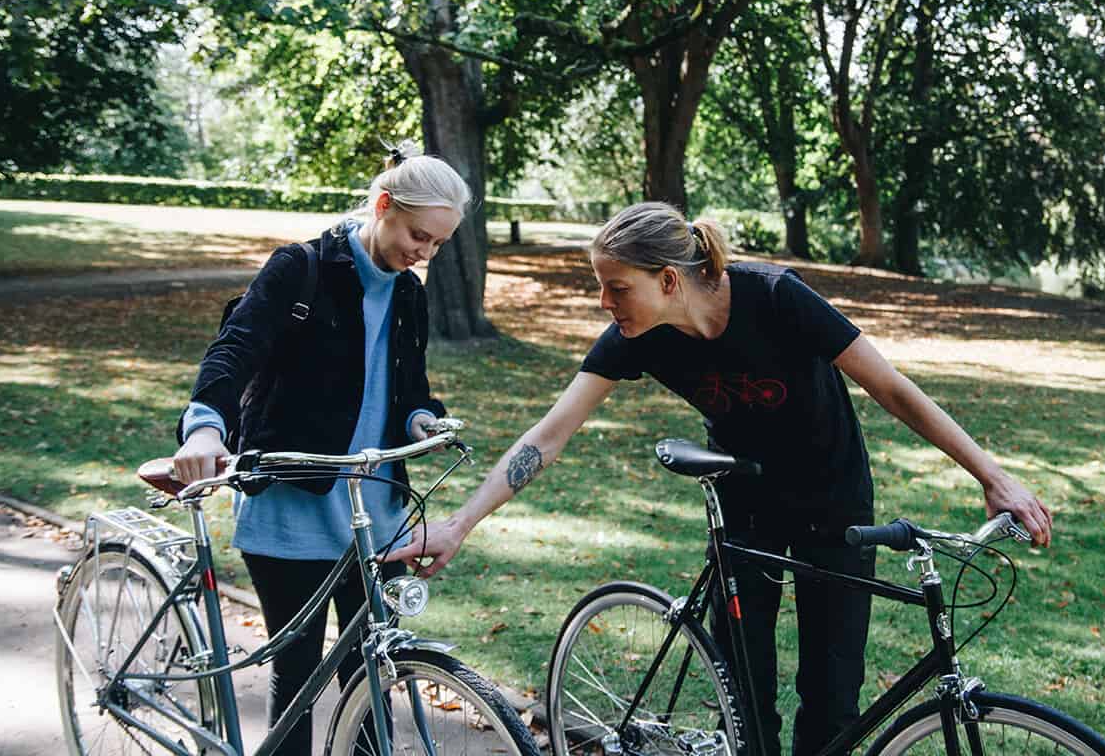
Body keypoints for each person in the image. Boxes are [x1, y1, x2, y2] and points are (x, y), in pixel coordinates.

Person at [387, 201, 1054, 756]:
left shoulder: (776, 297)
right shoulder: (637, 334)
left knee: (833, 695)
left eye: (617, 286)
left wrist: (994, 477)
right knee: (745, 696)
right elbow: (548, 436)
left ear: (669, 280)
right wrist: (459, 523)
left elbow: (892, 388)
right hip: (745, 507)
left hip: (835, 499)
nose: (604, 301)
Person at [171, 140, 470, 756]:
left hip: (376, 513)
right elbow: (233, 352)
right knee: (300, 678)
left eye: (438, 244)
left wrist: (420, 421)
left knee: (371, 675)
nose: (426, 253)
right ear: (383, 204)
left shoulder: (410, 292)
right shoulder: (299, 269)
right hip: (292, 504)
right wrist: (204, 427)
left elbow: (410, 387)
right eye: (420, 235)